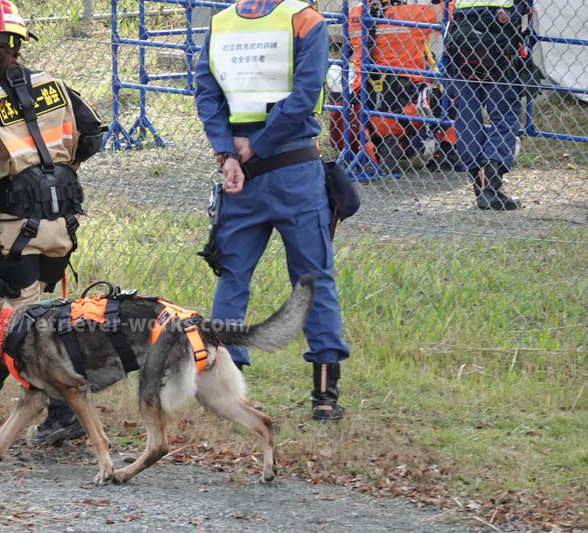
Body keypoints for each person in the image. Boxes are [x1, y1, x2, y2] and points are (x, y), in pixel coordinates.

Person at [0, 0, 106, 444]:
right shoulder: (55, 86)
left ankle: (63, 414)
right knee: (24, 317)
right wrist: (55, 170)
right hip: (60, 228)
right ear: (19, 44)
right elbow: (93, 134)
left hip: (12, 233)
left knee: (20, 325)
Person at [195, 0, 350, 420]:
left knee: (233, 278)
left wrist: (229, 153)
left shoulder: (221, 23)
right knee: (312, 280)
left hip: (240, 178)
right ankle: (324, 397)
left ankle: (223, 391)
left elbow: (207, 96)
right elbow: (303, 97)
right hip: (293, 171)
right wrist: (257, 146)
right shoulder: (305, 20)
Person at [345, 0, 461, 173]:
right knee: (458, 104)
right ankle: (446, 156)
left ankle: (382, 145)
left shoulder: (353, 14)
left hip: (365, 111)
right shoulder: (413, 13)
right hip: (407, 110)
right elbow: (451, 10)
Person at [445, 0, 531, 210]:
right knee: (504, 113)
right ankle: (490, 187)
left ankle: (479, 185)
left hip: (462, 28)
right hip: (499, 28)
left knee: (466, 115)